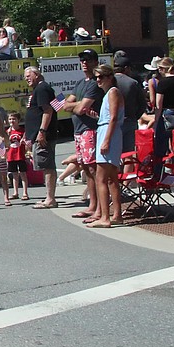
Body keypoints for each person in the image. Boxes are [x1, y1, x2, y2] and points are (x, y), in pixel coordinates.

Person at [61, 48, 103, 221]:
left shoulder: (94, 83)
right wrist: (78, 105)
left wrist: (78, 106)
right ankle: (92, 205)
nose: (84, 63)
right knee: (85, 167)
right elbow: (64, 105)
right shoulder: (80, 83)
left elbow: (79, 108)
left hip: (90, 130)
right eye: (82, 60)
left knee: (93, 169)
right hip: (78, 131)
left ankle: (98, 207)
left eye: (87, 59)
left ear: (95, 61)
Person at [90, 64, 124, 228]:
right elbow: (109, 117)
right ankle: (116, 214)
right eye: (96, 77)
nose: (98, 80)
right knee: (111, 179)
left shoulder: (113, 92)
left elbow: (114, 118)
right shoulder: (109, 94)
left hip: (109, 134)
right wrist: (98, 118)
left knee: (101, 178)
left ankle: (105, 216)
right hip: (107, 130)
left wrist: (106, 140)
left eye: (101, 77)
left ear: (110, 77)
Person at [24, 65, 59, 208]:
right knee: (45, 165)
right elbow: (57, 105)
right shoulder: (42, 89)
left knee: (47, 165)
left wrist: (42, 131)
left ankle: (50, 199)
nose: (26, 79)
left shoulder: (42, 88)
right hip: (39, 134)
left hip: (44, 135)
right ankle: (48, 197)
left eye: (28, 76)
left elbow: (48, 110)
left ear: (36, 74)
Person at [6, 111, 29, 201]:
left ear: (18, 120)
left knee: (23, 174)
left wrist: (25, 142)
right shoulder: (8, 131)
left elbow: (27, 143)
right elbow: (4, 144)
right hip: (11, 156)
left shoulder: (23, 131)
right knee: (14, 174)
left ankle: (25, 192)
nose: (12, 121)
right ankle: (15, 192)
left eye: (14, 119)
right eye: (10, 119)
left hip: (20, 155)